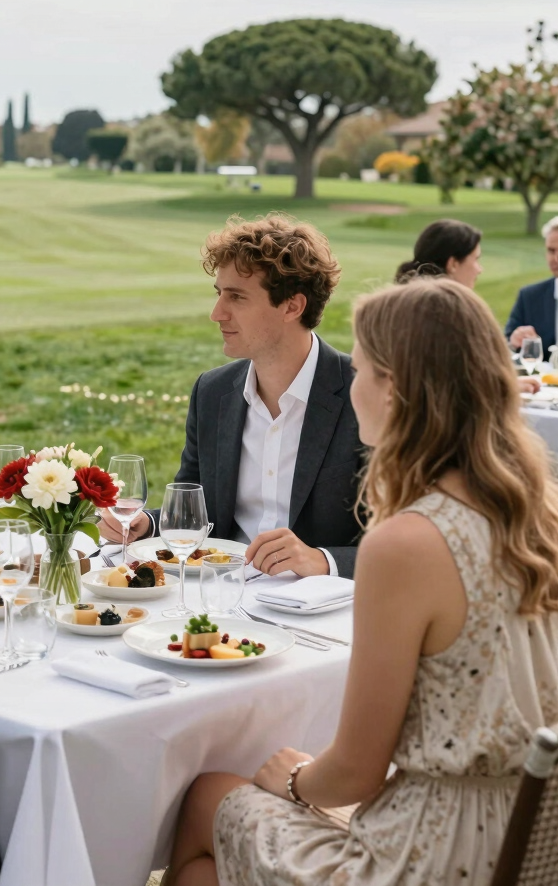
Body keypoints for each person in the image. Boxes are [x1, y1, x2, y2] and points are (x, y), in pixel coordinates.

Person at [165, 277, 558, 886]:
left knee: (206, 801)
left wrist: (293, 779)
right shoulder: (539, 514)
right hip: (528, 841)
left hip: (431, 854)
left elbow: (355, 772)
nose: (350, 389)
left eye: (363, 371)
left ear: (395, 390)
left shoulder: (405, 543)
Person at [100, 215, 364, 578]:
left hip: (323, 610)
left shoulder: (365, 394)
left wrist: (323, 560)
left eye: (236, 297)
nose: (216, 314)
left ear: (292, 306)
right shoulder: (212, 393)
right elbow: (194, 515)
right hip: (220, 596)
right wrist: (146, 524)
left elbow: (407, 542)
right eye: (219, 294)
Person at [505, 215, 558, 353]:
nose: (556, 259)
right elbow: (504, 347)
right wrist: (514, 341)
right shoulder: (529, 297)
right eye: (551, 251)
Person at [394, 218, 482, 287]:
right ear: (453, 264)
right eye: (475, 259)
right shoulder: (450, 308)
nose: (480, 270)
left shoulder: (399, 302)